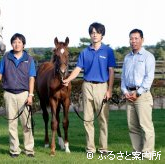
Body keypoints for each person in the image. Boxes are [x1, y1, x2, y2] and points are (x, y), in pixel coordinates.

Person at [62, 22, 116, 155]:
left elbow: (111, 71)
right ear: (90, 35)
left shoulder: (108, 51)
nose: (95, 35)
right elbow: (78, 69)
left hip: (102, 87)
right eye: (92, 32)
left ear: (102, 34)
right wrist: (68, 79)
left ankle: (103, 149)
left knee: (103, 119)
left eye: (97, 32)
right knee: (87, 119)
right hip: (87, 86)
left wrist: (109, 90)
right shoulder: (85, 52)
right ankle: (90, 149)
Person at [0, 33, 36, 158]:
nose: (17, 44)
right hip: (9, 94)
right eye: (14, 42)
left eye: (19, 42)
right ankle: (14, 150)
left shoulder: (29, 59)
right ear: (12, 44)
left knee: (27, 124)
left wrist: (30, 95)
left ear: (23, 44)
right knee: (12, 124)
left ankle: (29, 150)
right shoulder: (5, 58)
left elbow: (32, 78)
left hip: (24, 94)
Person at [121, 29, 155, 159]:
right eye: (131, 38)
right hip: (129, 95)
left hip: (142, 96)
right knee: (133, 127)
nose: (133, 41)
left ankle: (147, 155)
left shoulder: (148, 57)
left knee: (146, 126)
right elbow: (123, 77)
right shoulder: (127, 57)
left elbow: (149, 78)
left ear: (142, 39)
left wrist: (138, 93)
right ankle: (137, 152)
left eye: (136, 38)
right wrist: (125, 92)